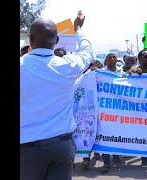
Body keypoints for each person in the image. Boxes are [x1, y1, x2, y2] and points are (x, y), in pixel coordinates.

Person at [20, 10, 93, 180]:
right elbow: (87, 52)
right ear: (57, 41)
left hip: (27, 150)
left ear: (30, 39)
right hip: (61, 147)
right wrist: (78, 29)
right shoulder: (68, 65)